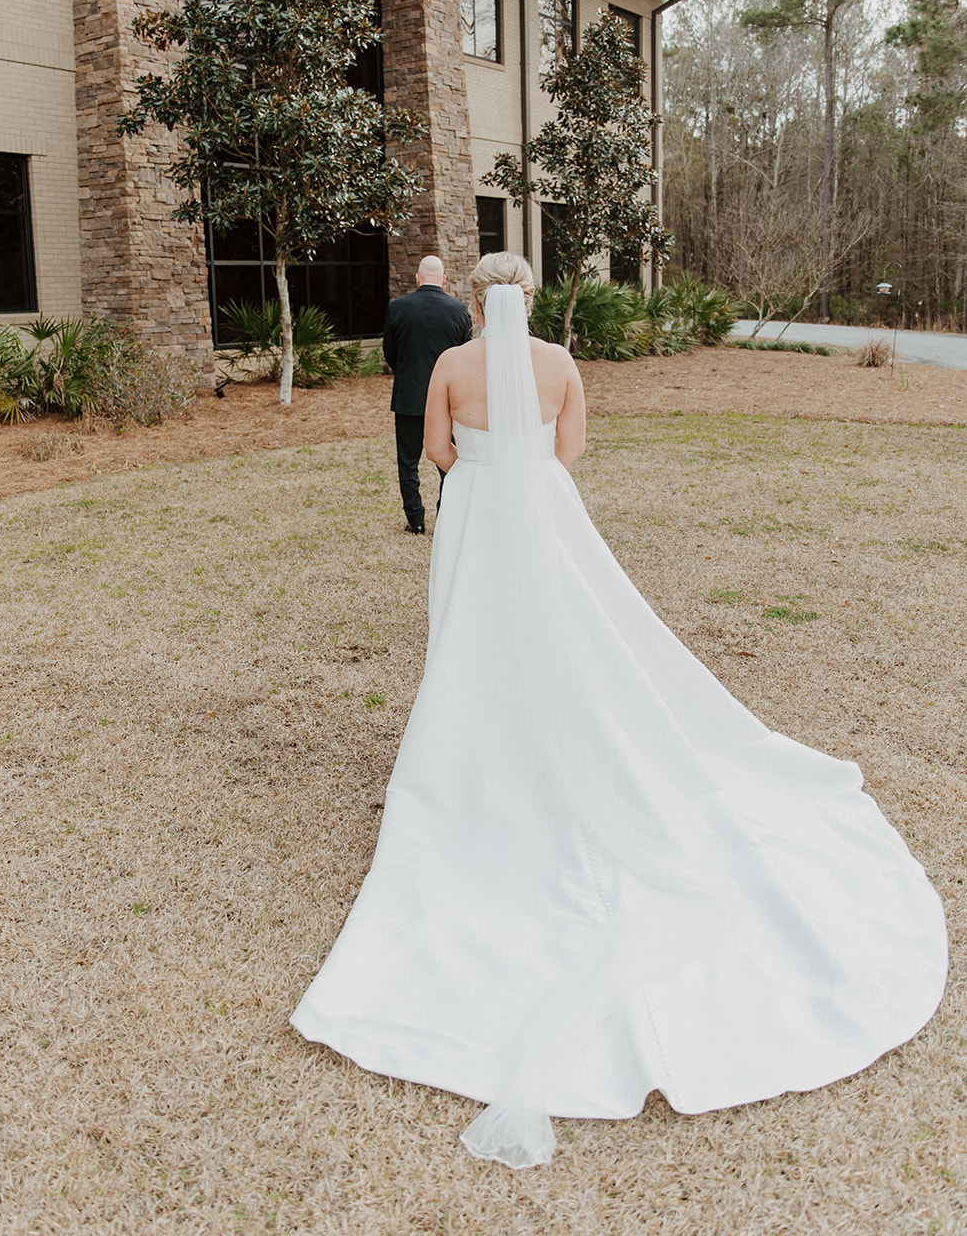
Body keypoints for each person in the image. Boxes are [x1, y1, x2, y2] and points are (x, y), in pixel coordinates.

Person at [292, 251, 947, 1168]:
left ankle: (483, 750)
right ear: (529, 292)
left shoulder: (450, 364)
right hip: (545, 511)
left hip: (477, 510)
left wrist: (476, 457)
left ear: (479, 300)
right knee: (569, 631)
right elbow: (571, 453)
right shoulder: (560, 364)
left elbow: (434, 452)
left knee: (475, 633)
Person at [382, 254, 471, 534]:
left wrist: (408, 374)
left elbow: (390, 352)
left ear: (418, 279)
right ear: (444, 280)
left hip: (409, 398)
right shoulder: (459, 310)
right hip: (448, 402)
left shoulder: (397, 308)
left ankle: (416, 520)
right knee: (449, 460)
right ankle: (445, 514)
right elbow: (464, 356)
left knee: (408, 462)